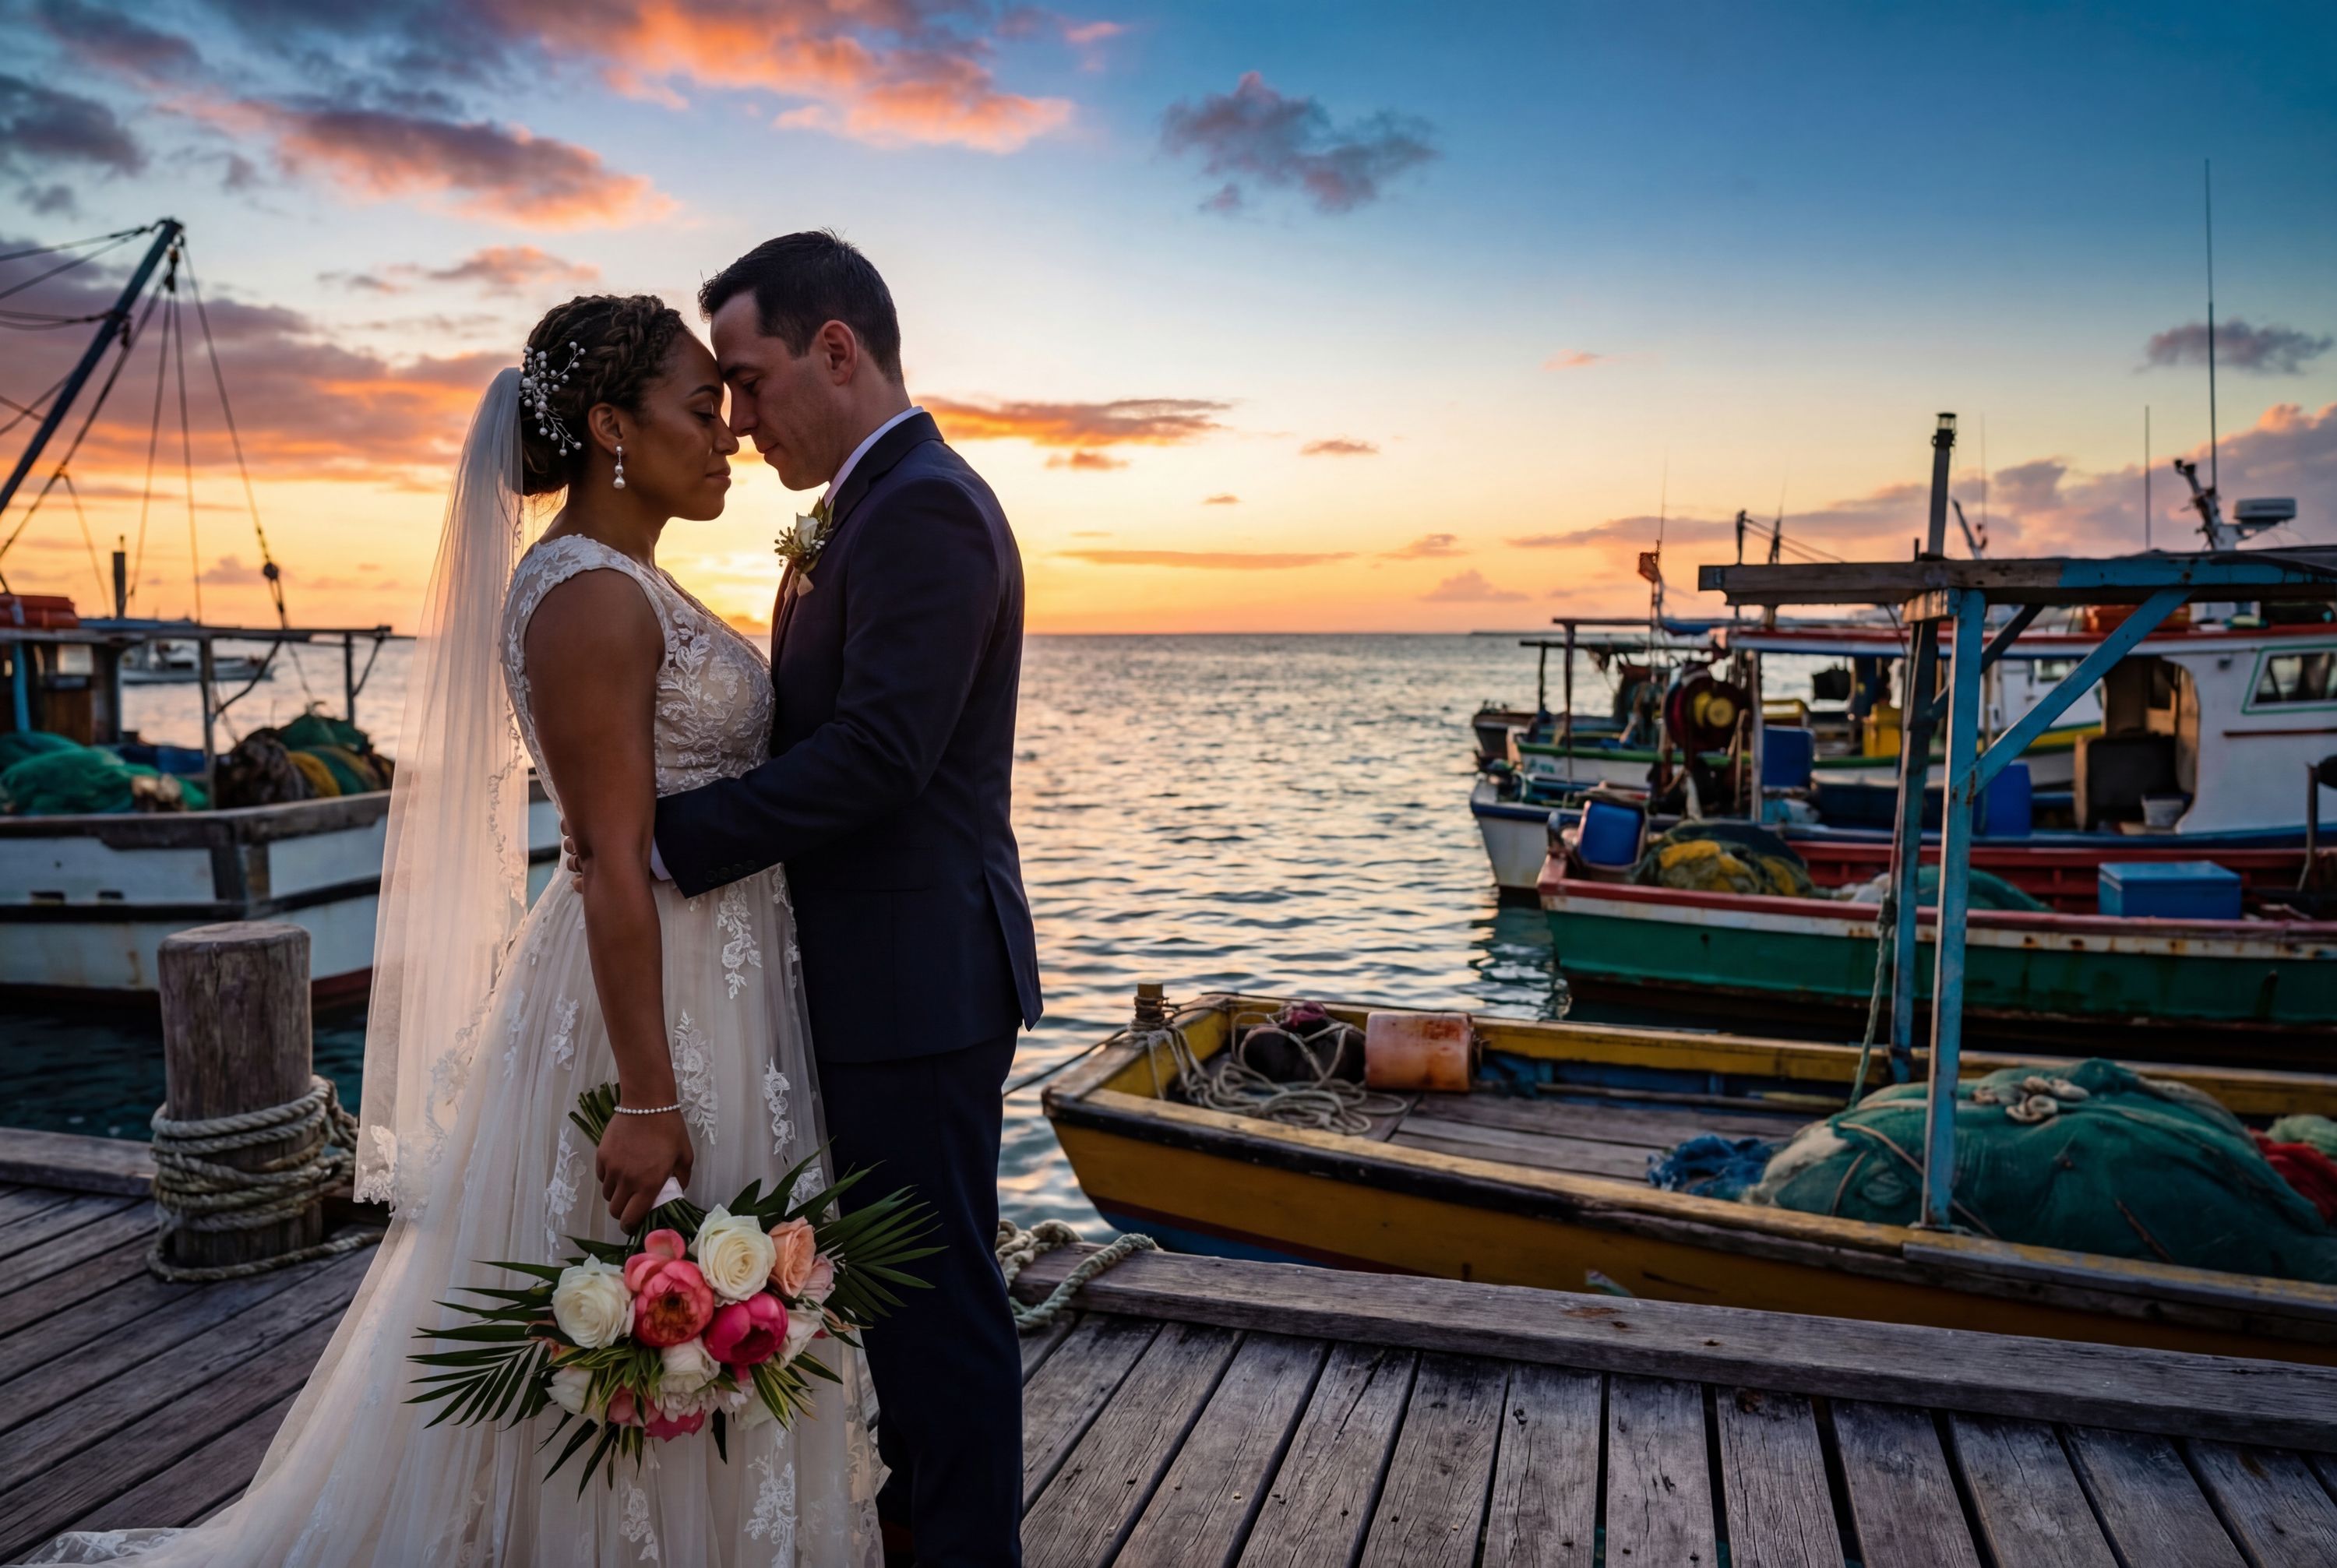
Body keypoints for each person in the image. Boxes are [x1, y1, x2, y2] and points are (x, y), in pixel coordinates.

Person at [20, 294, 885, 1565]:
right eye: (702, 411)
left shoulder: (627, 577)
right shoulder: (587, 598)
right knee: (645, 1313)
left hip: (717, 977)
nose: (731, 438)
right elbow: (606, 865)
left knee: (716, 1310)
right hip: (649, 1004)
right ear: (608, 428)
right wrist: (648, 1091)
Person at [598, 231, 1042, 1568]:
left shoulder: (926, 509)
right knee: (897, 1310)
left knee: (943, 1317)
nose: (738, 416)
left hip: (920, 987)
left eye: (750, 377)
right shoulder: (866, 504)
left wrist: (668, 840)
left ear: (836, 350)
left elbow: (881, 755)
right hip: (870, 980)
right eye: (720, 391)